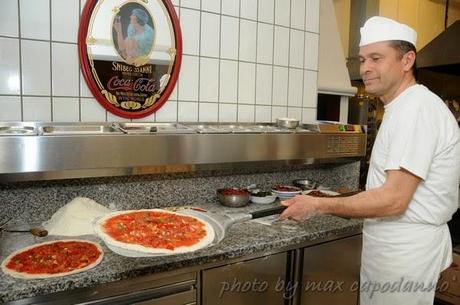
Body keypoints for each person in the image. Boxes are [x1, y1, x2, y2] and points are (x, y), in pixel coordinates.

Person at [281, 16, 460, 304]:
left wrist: (318, 205)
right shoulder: (401, 107)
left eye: (376, 58)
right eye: (363, 59)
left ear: (407, 60)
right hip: (392, 247)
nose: (365, 68)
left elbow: (394, 200)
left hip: (406, 253)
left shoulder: (416, 109)